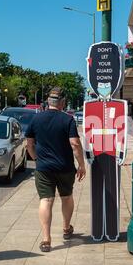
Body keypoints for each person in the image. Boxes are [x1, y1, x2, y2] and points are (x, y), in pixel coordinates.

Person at [25, 87, 86, 253]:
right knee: (66, 197)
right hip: (65, 168)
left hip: (44, 168)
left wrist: (37, 159)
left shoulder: (36, 119)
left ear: (48, 102)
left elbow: (29, 144)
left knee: (46, 200)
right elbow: (75, 144)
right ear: (62, 102)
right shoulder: (68, 120)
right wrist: (81, 164)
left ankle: (46, 240)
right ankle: (66, 229)